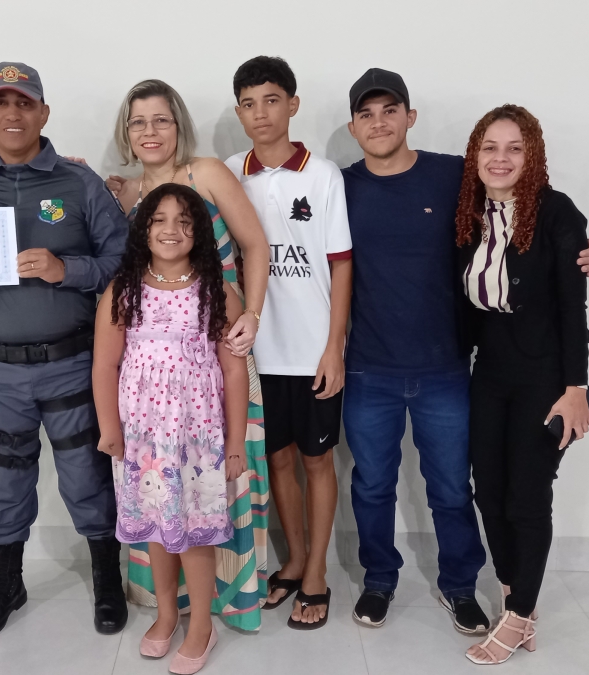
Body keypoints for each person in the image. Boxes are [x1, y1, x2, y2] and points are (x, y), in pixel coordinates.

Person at [340, 69, 589, 634]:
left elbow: (525, 206)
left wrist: (574, 248)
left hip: (448, 369)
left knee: (452, 489)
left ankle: (459, 586)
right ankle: (379, 580)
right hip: (367, 368)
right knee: (372, 486)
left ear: (410, 117)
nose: (379, 123)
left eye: (390, 110)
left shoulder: (456, 177)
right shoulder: (339, 187)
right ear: (354, 126)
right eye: (366, 114)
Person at [0, 62, 128, 639]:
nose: (13, 114)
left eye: (25, 103)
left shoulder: (79, 183)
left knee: (87, 477)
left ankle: (107, 580)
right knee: (4, 481)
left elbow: (123, 264)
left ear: (44, 112)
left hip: (72, 363)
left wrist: (65, 269)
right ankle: (8, 583)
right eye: (0, 102)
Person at [104, 79, 272, 631]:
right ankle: (166, 608)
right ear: (126, 133)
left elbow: (255, 244)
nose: (150, 131)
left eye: (161, 119)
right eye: (138, 122)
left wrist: (252, 315)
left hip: (217, 352)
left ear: (179, 125)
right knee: (157, 492)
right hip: (151, 390)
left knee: (217, 481)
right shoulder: (128, 193)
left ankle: (223, 605)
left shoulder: (206, 173)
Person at [455, 104, 589, 664]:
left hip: (545, 376)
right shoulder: (469, 214)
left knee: (527, 499)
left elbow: (573, 308)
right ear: (475, 155)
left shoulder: (557, 213)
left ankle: (516, 618)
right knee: (488, 491)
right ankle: (519, 603)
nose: (501, 158)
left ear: (532, 154)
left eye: (515, 148)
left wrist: (576, 388)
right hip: (489, 372)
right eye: (490, 147)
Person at [93, 183, 249, 674]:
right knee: (159, 529)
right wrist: (109, 427)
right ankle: (166, 614)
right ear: (143, 229)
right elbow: (105, 365)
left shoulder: (217, 292)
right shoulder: (123, 291)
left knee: (196, 533)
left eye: (184, 221)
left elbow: (234, 371)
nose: (171, 230)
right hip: (144, 440)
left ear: (199, 232)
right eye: (159, 220)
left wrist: (236, 442)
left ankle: (201, 625)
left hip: (198, 440)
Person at [224, 56, 352, 630]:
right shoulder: (230, 173)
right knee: (275, 458)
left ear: (293, 105)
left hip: (311, 351)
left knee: (317, 460)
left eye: (272, 100)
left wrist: (334, 348)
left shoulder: (323, 175)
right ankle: (295, 559)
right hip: (255, 352)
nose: (261, 113)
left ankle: (318, 572)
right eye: (249, 104)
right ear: (238, 112)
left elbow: (342, 265)